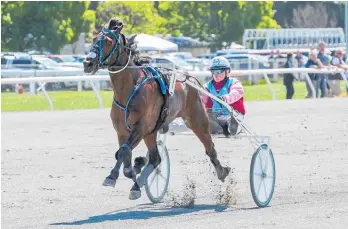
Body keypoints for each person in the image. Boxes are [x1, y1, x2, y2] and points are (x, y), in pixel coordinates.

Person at [201, 56, 245, 137]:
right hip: (215, 116)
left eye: (219, 71)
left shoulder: (234, 83)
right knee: (206, 116)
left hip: (233, 114)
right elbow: (202, 99)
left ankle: (232, 128)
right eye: (213, 71)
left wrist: (225, 98)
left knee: (232, 122)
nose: (216, 74)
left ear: (227, 72)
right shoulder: (207, 86)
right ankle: (218, 129)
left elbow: (236, 93)